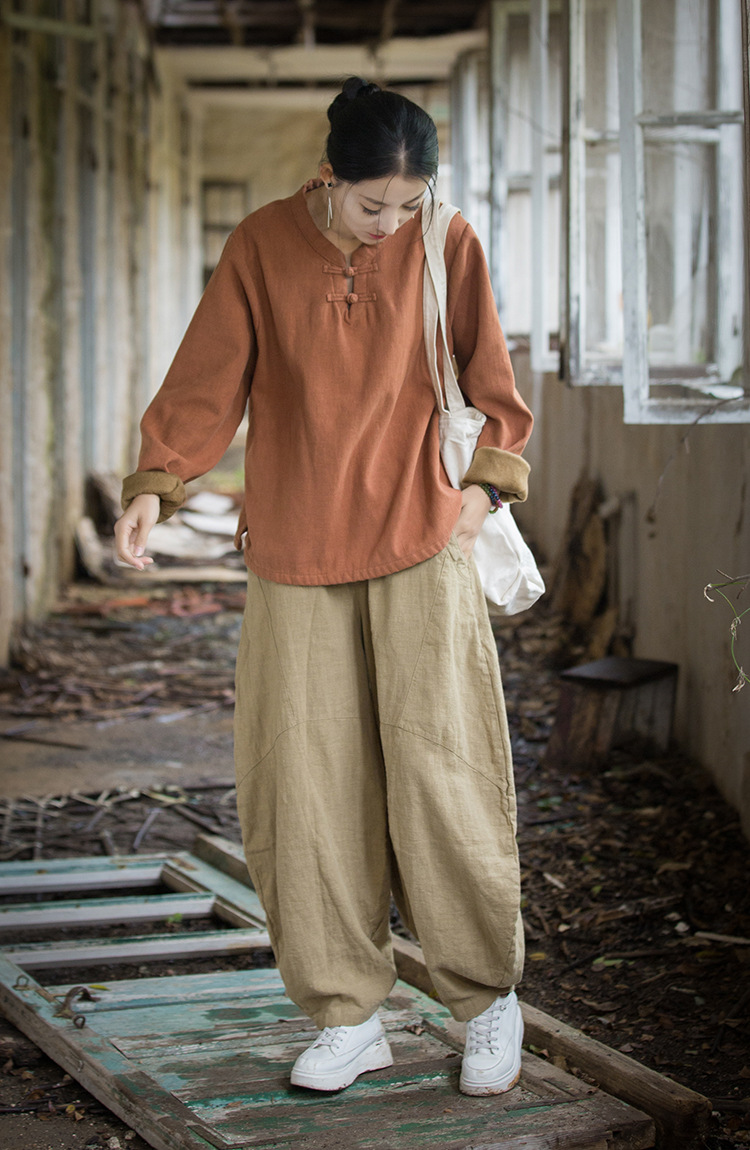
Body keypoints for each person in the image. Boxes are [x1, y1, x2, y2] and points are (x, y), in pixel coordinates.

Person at [115, 76, 533, 1097]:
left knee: (443, 772)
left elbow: (494, 387)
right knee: (304, 782)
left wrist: (482, 493)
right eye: (370, 204)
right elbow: (207, 378)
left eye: (407, 204)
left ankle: (485, 999)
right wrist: (156, 486)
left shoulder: (447, 241)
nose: (390, 223)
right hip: (295, 549)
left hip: (423, 538)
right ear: (327, 176)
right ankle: (348, 1012)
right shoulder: (260, 245)